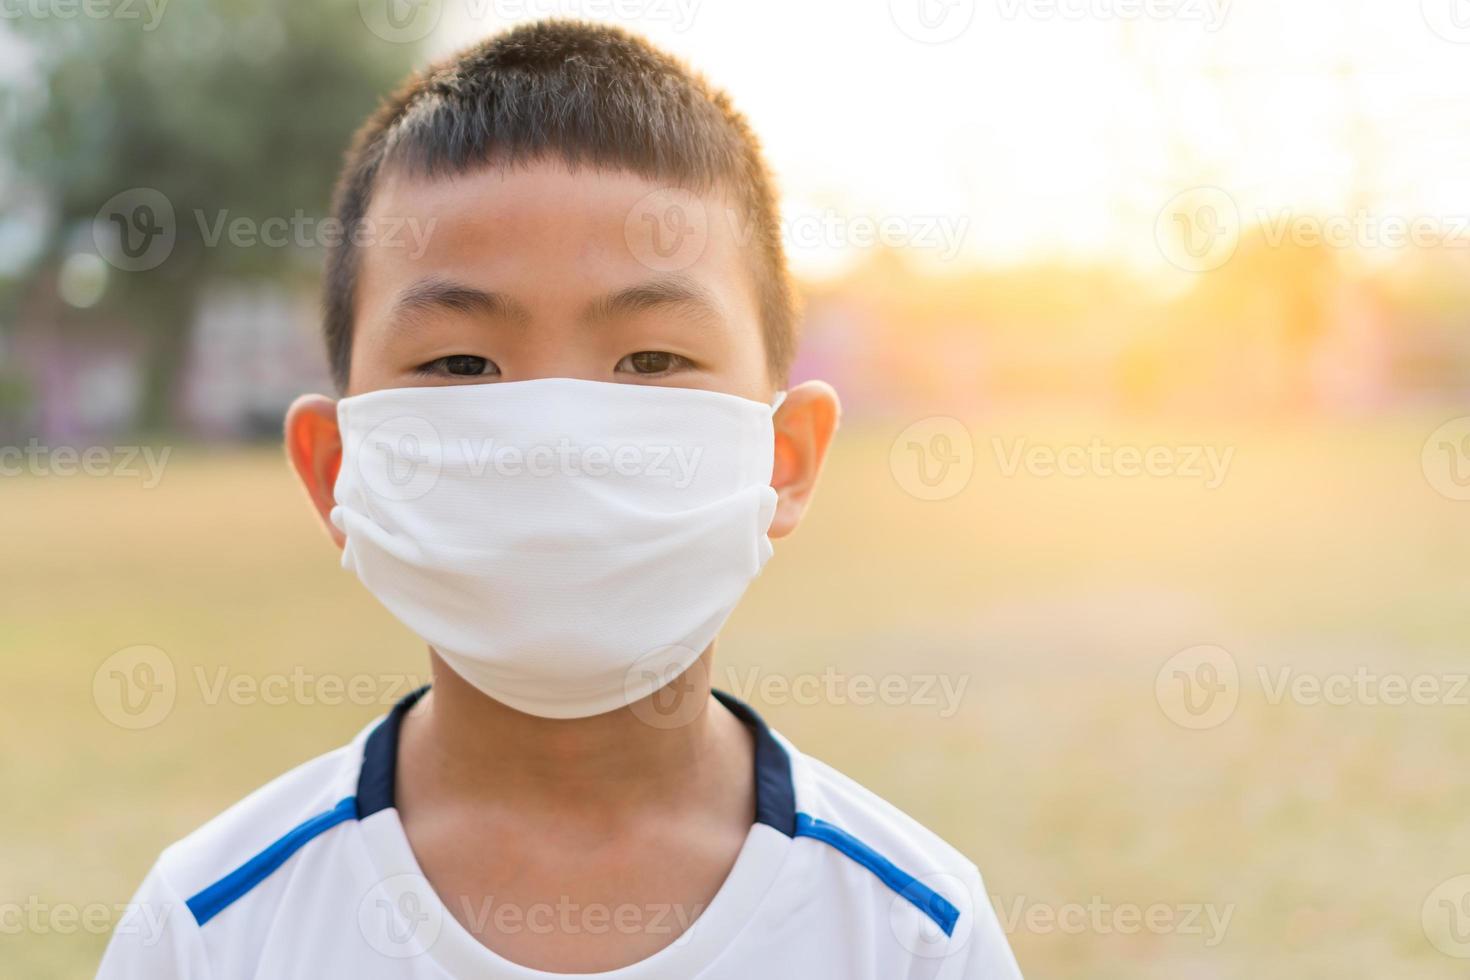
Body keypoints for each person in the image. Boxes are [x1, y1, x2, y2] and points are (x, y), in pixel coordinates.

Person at [98, 19, 1023, 979]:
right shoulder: (214, 934)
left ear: (784, 458)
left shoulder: (910, 936)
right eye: (461, 363)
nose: (555, 434)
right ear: (337, 470)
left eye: (652, 359)